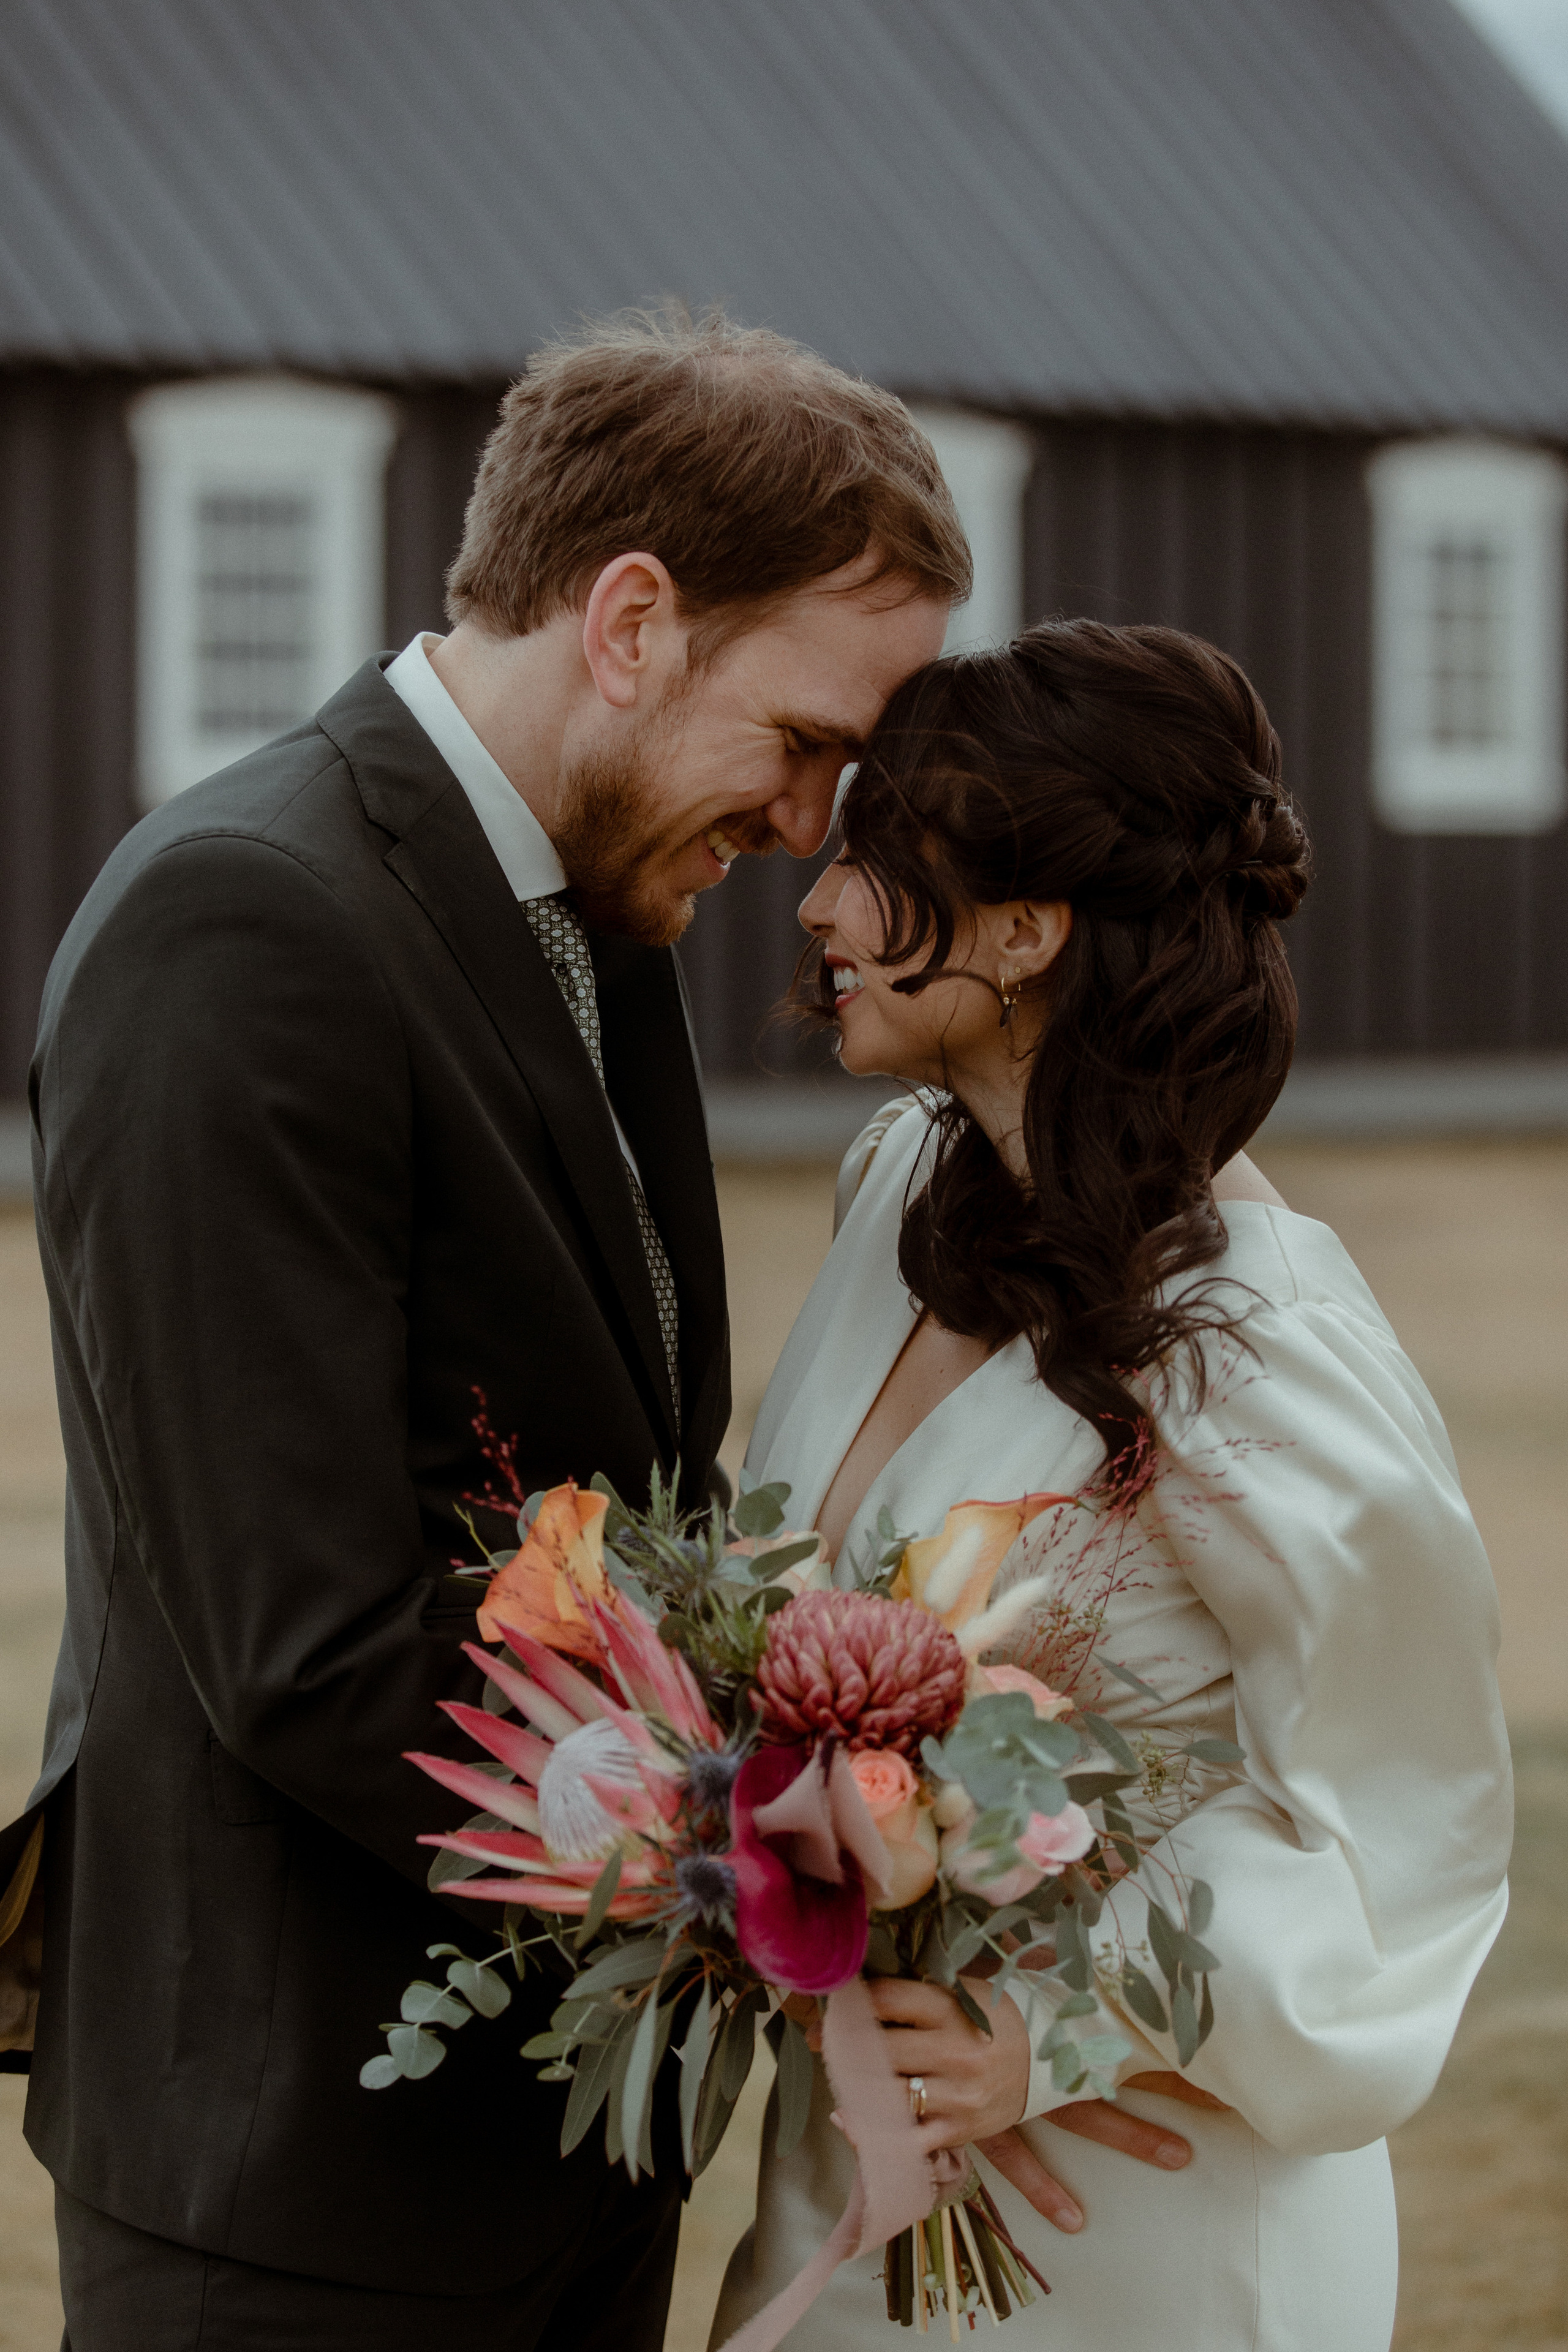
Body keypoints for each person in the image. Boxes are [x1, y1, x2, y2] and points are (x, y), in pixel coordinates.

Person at [0, 309, 973, 2352]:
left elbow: (611, 1498)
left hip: (559, 2150)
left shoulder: (586, 914)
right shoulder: (243, 924)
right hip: (301, 2178)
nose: (812, 824)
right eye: (801, 739)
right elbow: (309, 1635)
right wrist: (772, 1858)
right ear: (630, 618)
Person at [713, 620, 1512, 2351]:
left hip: (1128, 2216)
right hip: (849, 2160)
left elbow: (1397, 1815)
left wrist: (1057, 2033)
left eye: (874, 857)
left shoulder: (1254, 1338)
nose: (819, 907)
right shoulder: (893, 1192)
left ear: (1024, 930)